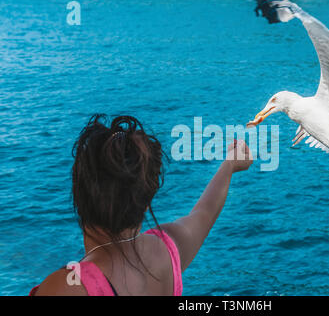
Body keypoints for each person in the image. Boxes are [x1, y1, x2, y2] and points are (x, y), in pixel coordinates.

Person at [30, 114, 253, 296]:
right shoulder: (167, 248)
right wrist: (230, 164)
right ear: (146, 201)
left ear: (78, 191)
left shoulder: (67, 288)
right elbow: (205, 212)